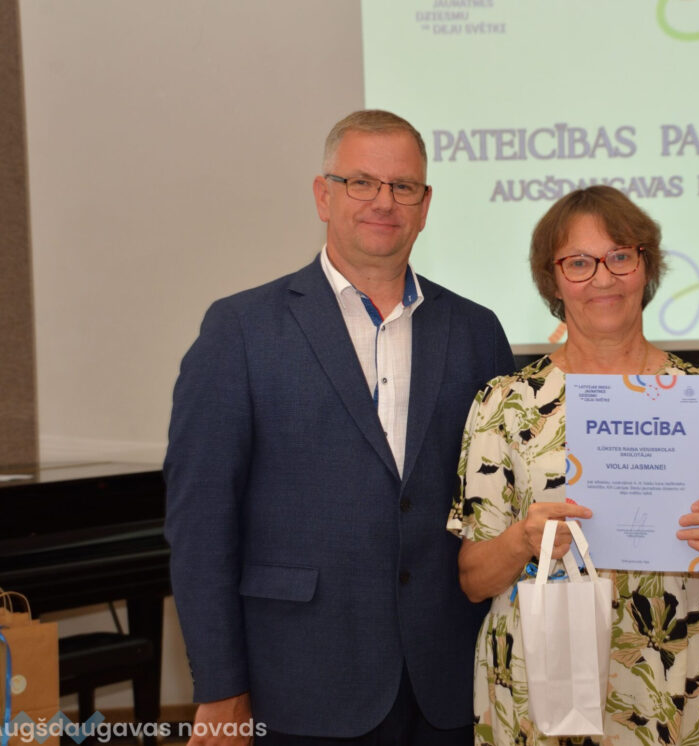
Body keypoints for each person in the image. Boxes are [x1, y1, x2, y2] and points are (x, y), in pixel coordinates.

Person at [164, 109, 515, 745]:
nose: (384, 201)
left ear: (425, 205)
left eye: (403, 186)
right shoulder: (240, 331)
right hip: (299, 681)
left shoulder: (476, 332)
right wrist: (220, 688)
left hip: (449, 683)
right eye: (361, 182)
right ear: (323, 196)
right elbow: (201, 526)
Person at [449, 185, 699, 746]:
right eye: (578, 262)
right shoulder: (504, 403)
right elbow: (473, 580)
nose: (602, 278)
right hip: (545, 685)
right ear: (552, 280)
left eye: (620, 256)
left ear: (646, 266)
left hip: (686, 678)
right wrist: (524, 540)